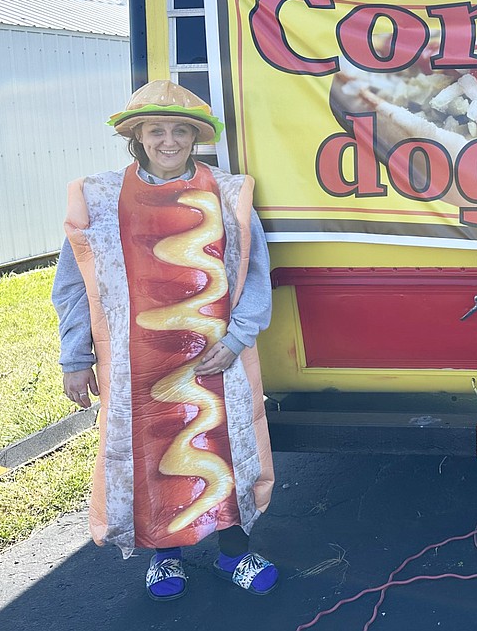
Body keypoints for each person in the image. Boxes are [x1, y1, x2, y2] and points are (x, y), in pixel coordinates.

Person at [52, 80, 279, 600]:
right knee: (151, 449)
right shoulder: (100, 197)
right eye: (157, 130)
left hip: (216, 356)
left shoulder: (227, 193)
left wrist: (239, 336)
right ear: (137, 136)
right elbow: (71, 283)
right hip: (137, 363)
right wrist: (76, 355)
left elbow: (257, 272)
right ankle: (165, 557)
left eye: (180, 130)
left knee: (222, 447)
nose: (169, 140)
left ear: (196, 137)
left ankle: (234, 552)